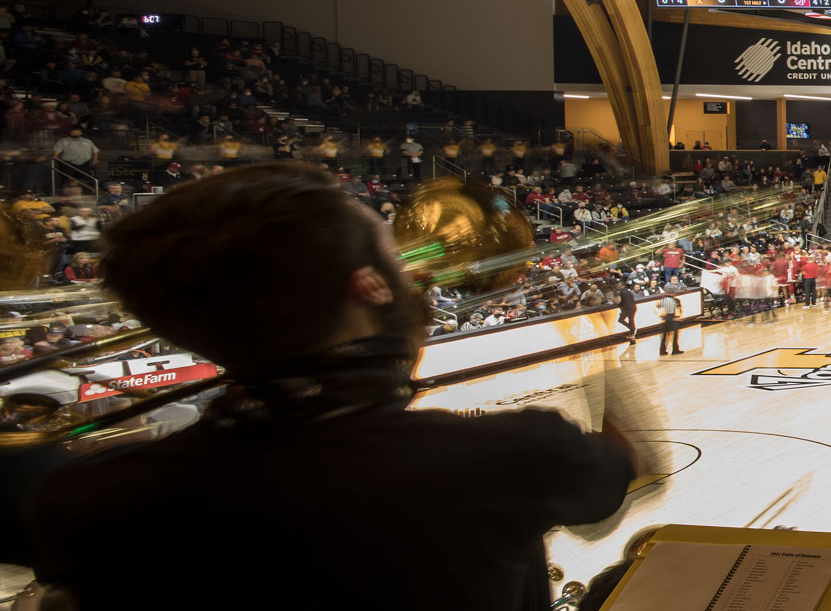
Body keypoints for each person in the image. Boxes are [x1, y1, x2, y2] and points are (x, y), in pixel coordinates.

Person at [29, 163, 643, 610]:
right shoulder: (507, 455)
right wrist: (603, 351)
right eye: (388, 249)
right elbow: (620, 472)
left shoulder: (88, 498)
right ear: (369, 287)